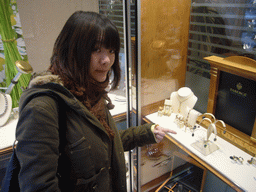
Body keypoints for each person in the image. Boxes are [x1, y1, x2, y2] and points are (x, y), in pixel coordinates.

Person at [15, 11, 176, 192]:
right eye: (96, 49)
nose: (106, 60)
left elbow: (103, 144)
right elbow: (38, 187)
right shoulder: (43, 108)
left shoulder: (91, 94)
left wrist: (148, 132)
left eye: (111, 50)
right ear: (71, 49)